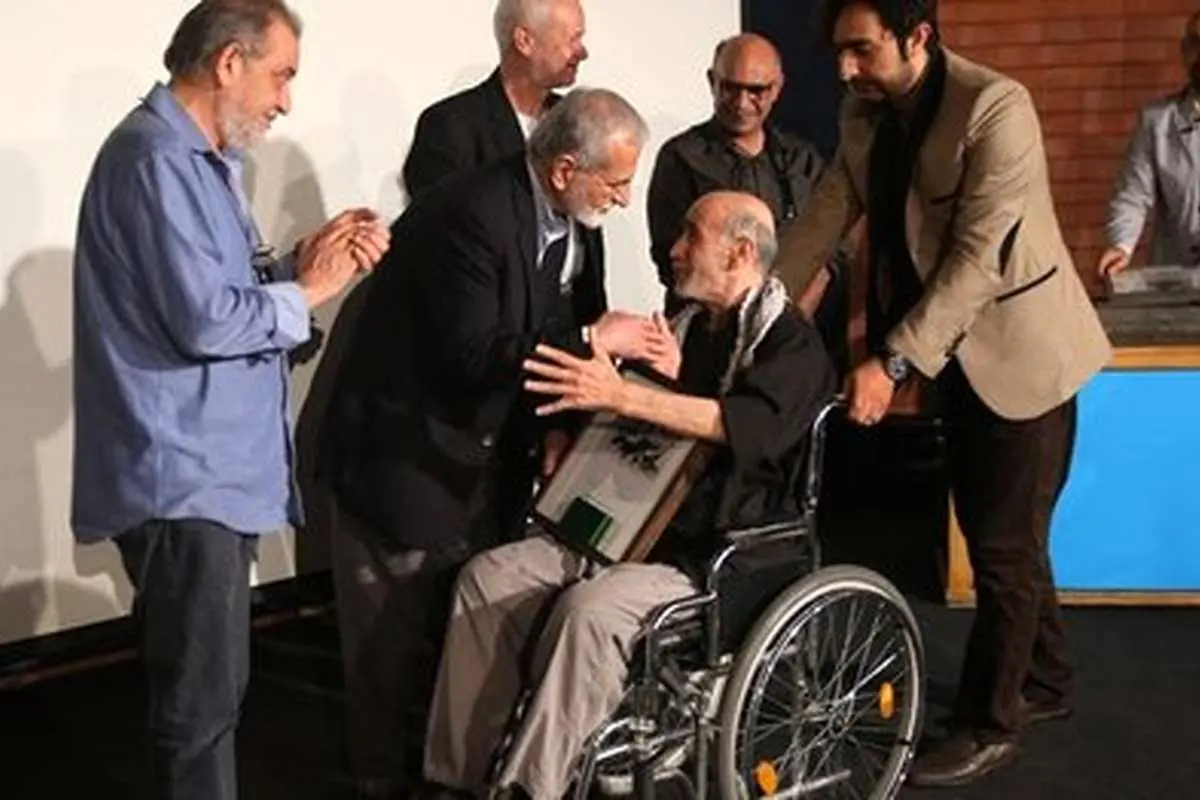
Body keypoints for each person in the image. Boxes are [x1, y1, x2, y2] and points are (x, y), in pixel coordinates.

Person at [775, 0, 1112, 788]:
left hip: (1024, 355)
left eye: (862, 50)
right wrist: (760, 301)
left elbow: (977, 259)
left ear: (918, 36)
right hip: (954, 357)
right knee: (1003, 530)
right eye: (839, 52)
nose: (845, 69)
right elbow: (830, 208)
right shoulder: (864, 110)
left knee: (1002, 548)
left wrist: (891, 363)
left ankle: (992, 724)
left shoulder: (996, 107)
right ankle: (1047, 679)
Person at [69, 2, 390, 799]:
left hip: (208, 481)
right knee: (200, 712)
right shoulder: (154, 161)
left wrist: (300, 263)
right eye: (280, 76)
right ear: (228, 63)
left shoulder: (198, 162)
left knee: (207, 701)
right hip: (185, 482)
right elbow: (205, 320)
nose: (285, 101)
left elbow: (215, 295)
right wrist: (312, 289)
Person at [422, 190, 835, 800]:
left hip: (714, 552)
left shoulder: (791, 347)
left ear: (740, 253)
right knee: (488, 578)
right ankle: (457, 777)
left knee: (589, 613)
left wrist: (625, 395)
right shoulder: (685, 326)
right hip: (632, 526)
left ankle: (531, 789)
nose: (674, 249)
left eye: (691, 236)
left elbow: (738, 424)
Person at [321, 87, 663, 798]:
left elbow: (551, 325)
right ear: (565, 170)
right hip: (403, 461)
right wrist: (594, 338)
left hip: (482, 464)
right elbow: (474, 353)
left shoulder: (576, 220)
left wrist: (558, 425)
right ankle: (379, 781)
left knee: (462, 636)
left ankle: (453, 773)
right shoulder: (469, 213)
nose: (625, 200)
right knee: (387, 653)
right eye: (616, 183)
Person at [646, 33, 826, 316]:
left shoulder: (802, 159)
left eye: (756, 90)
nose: (741, 103)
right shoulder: (681, 157)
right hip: (706, 323)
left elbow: (828, 248)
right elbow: (670, 258)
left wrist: (795, 309)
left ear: (777, 88)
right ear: (712, 81)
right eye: (730, 88)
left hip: (794, 318)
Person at [402, 0, 589, 198]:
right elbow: (439, 214)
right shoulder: (450, 127)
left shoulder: (575, 121)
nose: (583, 53)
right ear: (524, 41)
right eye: (573, 39)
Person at [1098, 9, 1200, 278]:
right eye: (1197, 42)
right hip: (1177, 280)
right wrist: (1121, 245)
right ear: (1184, 50)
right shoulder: (1157, 120)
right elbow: (1133, 193)